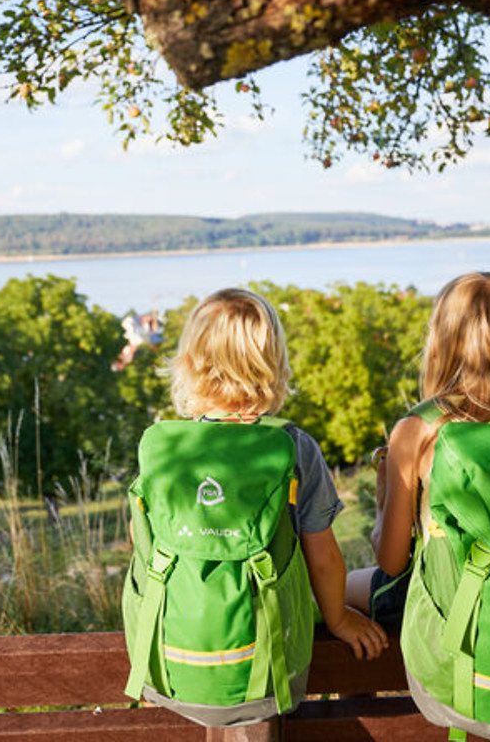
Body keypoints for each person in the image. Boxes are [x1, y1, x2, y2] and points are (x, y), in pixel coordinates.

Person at [122, 288, 385, 727]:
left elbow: (140, 543)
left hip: (170, 676)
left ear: (188, 364)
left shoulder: (164, 450)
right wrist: (338, 619)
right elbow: (324, 559)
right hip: (268, 678)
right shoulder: (293, 448)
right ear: (274, 366)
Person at [349, 271, 490, 624]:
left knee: (338, 592)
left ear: (442, 341)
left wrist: (381, 506)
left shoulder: (419, 429)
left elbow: (392, 562)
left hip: (446, 603)